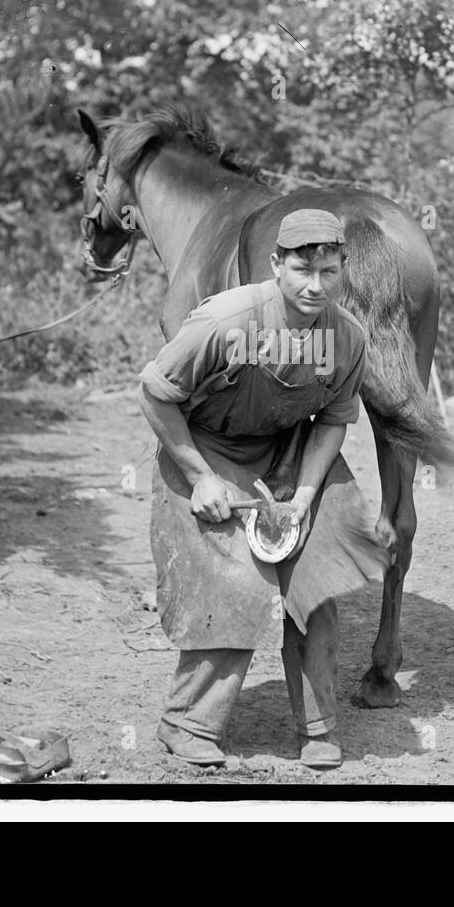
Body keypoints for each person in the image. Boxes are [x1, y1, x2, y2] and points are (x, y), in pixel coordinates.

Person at [138, 208, 385, 769]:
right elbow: (155, 395)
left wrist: (303, 497)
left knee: (317, 581)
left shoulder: (347, 336)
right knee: (238, 585)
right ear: (276, 265)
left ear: (344, 268)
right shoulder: (226, 319)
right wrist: (200, 478)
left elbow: (334, 421)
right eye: (302, 269)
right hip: (207, 450)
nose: (315, 285)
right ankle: (188, 724)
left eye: (328, 270)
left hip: (290, 453)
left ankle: (318, 728)